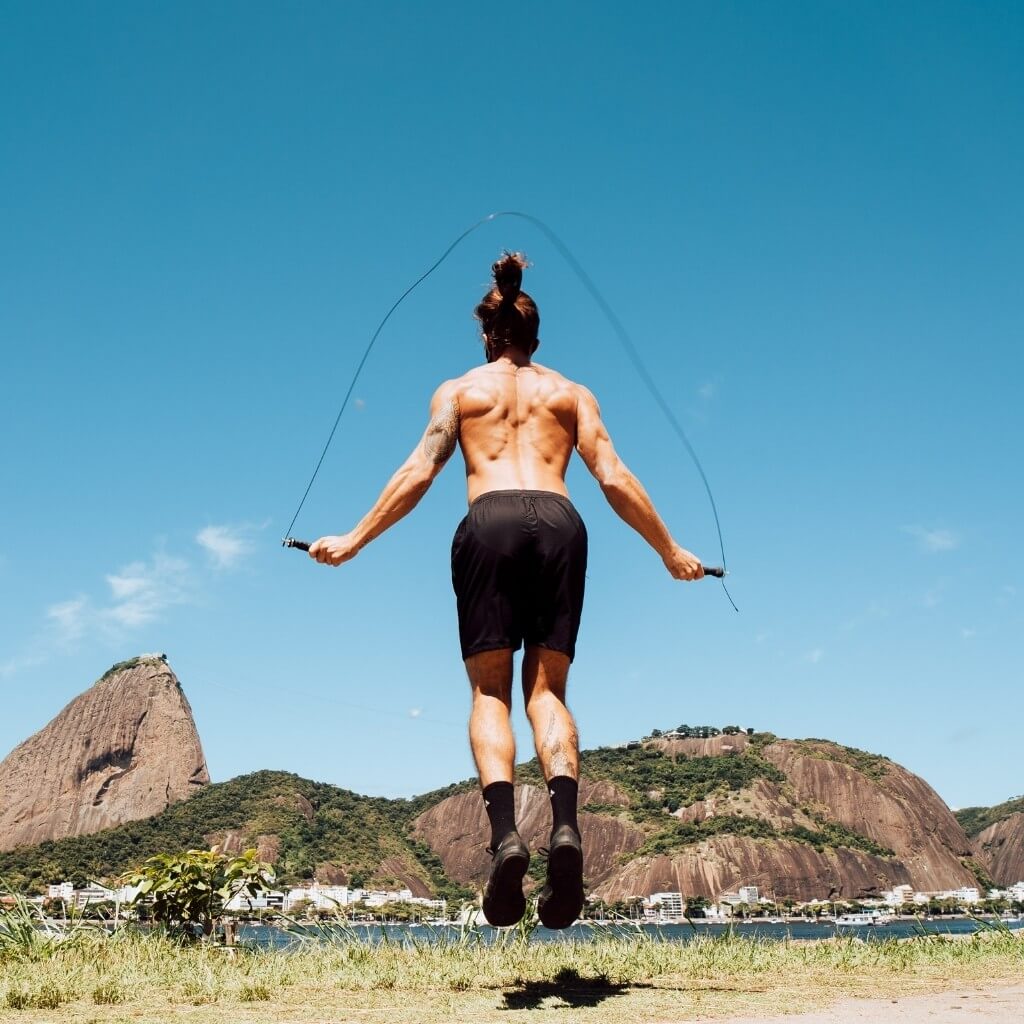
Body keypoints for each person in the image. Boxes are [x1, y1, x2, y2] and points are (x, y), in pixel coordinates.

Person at [309, 252, 704, 929]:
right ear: (536, 339)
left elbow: (419, 471)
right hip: (559, 523)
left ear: (488, 336)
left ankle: (505, 838)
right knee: (546, 692)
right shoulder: (571, 394)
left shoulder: (461, 392)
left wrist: (354, 538)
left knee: (489, 692)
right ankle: (566, 828)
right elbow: (611, 475)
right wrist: (670, 549)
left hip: (488, 521)